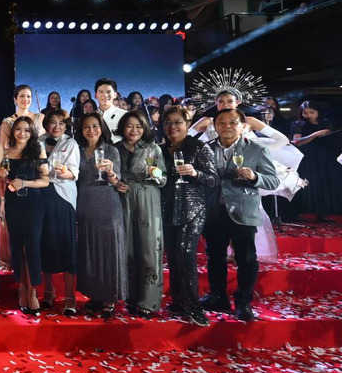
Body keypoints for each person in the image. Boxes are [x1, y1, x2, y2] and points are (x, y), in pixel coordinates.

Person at [201, 108, 280, 322]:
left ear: (243, 126)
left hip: (243, 210)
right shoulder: (205, 149)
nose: (227, 126)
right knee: (214, 256)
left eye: (232, 122)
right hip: (214, 210)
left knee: (246, 258)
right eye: (221, 122)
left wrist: (254, 176)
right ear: (214, 126)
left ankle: (243, 302)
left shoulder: (256, 149)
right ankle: (218, 296)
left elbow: (273, 181)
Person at [160, 105, 217, 326]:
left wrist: (195, 173)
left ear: (187, 124)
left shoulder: (199, 147)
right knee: (173, 256)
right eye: (168, 123)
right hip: (167, 208)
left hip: (192, 209)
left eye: (177, 122)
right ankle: (178, 300)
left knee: (185, 252)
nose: (172, 127)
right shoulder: (161, 150)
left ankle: (194, 307)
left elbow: (213, 180)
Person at [114, 110, 167, 318]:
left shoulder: (153, 148)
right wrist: (116, 184)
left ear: (144, 128)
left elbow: (163, 179)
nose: (134, 130)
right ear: (122, 127)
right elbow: (111, 175)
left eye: (138, 126)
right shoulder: (115, 148)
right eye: (129, 126)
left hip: (147, 197)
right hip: (123, 199)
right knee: (127, 248)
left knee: (149, 247)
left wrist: (155, 174)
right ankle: (131, 296)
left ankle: (149, 301)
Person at [74, 111, 126, 318]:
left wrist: (110, 172)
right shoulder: (76, 150)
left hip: (107, 202)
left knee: (108, 249)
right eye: (86, 127)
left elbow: (117, 180)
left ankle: (109, 297)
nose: (91, 130)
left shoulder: (111, 150)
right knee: (90, 248)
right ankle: (95, 295)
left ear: (101, 128)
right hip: (84, 203)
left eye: (95, 126)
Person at [0, 116, 49, 315]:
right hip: (13, 204)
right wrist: (3, 176)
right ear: (13, 131)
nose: (22, 133)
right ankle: (21, 288)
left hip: (34, 204)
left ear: (31, 133)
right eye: (19, 129)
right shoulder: (6, 153)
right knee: (16, 247)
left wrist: (24, 183)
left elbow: (45, 180)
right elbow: (1, 179)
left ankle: (33, 290)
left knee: (32, 247)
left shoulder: (37, 150)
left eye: (27, 130)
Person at [39, 109, 80, 316]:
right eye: (53, 122)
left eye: (61, 123)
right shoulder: (38, 141)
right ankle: (49, 291)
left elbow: (74, 172)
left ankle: (70, 296)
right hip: (41, 196)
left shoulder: (70, 143)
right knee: (45, 243)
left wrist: (64, 172)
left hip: (62, 197)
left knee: (66, 245)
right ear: (46, 124)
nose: (57, 127)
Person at [291, 101, 342, 219]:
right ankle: (303, 212)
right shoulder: (298, 124)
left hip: (325, 156)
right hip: (307, 157)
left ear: (318, 112)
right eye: (305, 113)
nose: (308, 115)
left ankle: (323, 212)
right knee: (308, 182)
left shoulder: (325, 122)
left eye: (312, 112)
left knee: (324, 183)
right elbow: (297, 142)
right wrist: (314, 135)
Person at [0, 85, 45, 167]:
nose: (25, 99)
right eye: (22, 96)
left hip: (39, 159)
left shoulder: (40, 117)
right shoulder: (8, 122)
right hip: (18, 161)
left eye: (28, 96)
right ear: (15, 99)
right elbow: (3, 147)